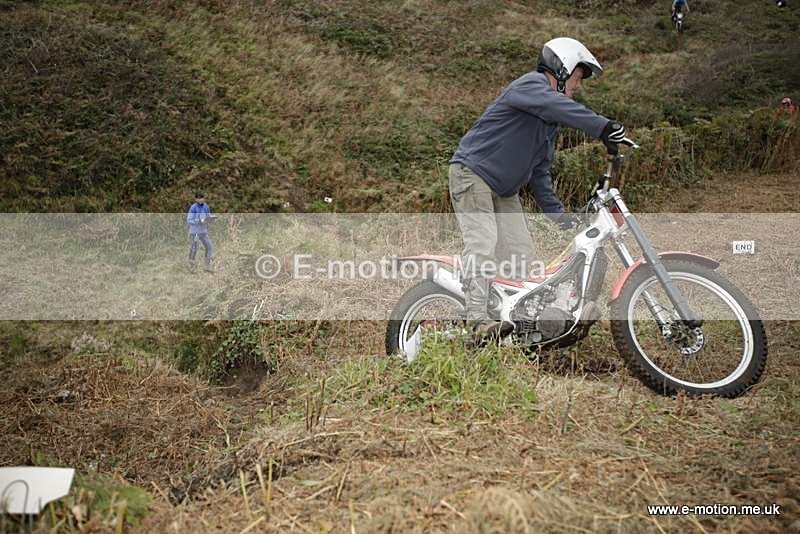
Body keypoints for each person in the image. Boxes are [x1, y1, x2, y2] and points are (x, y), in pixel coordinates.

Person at [449, 37, 626, 345]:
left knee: (520, 253)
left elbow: (540, 173)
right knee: (484, 243)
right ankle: (476, 320)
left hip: (504, 188)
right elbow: (555, 104)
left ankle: (513, 323)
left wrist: (561, 218)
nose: (578, 86)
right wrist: (601, 126)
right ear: (562, 68)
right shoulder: (529, 86)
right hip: (472, 174)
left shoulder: (547, 124)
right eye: (578, 77)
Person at [187, 192, 214, 272]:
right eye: (198, 198)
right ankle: (192, 267)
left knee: (209, 247)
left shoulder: (206, 206)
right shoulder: (193, 207)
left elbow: (208, 216)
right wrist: (198, 221)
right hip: (194, 232)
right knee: (194, 248)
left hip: (203, 231)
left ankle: (207, 266)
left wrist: (212, 218)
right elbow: (189, 220)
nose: (200, 199)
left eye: (202, 198)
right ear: (196, 199)